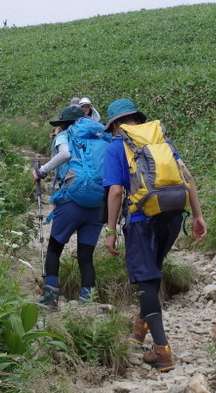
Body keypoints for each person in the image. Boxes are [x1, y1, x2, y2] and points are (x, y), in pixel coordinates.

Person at [103, 98, 206, 372]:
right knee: (153, 269)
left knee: (144, 278)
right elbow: (188, 176)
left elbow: (115, 192)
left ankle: (161, 350)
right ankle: (139, 329)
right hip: (172, 216)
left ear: (114, 124)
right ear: (138, 119)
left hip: (141, 220)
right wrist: (197, 215)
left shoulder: (116, 147)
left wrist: (111, 231)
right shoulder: (162, 142)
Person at [32, 106, 103, 307]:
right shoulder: (99, 139)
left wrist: (43, 171)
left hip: (72, 200)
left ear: (64, 125)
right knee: (86, 254)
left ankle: (51, 296)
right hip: (98, 203)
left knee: (55, 247)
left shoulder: (64, 135)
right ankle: (87, 299)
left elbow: (64, 155)